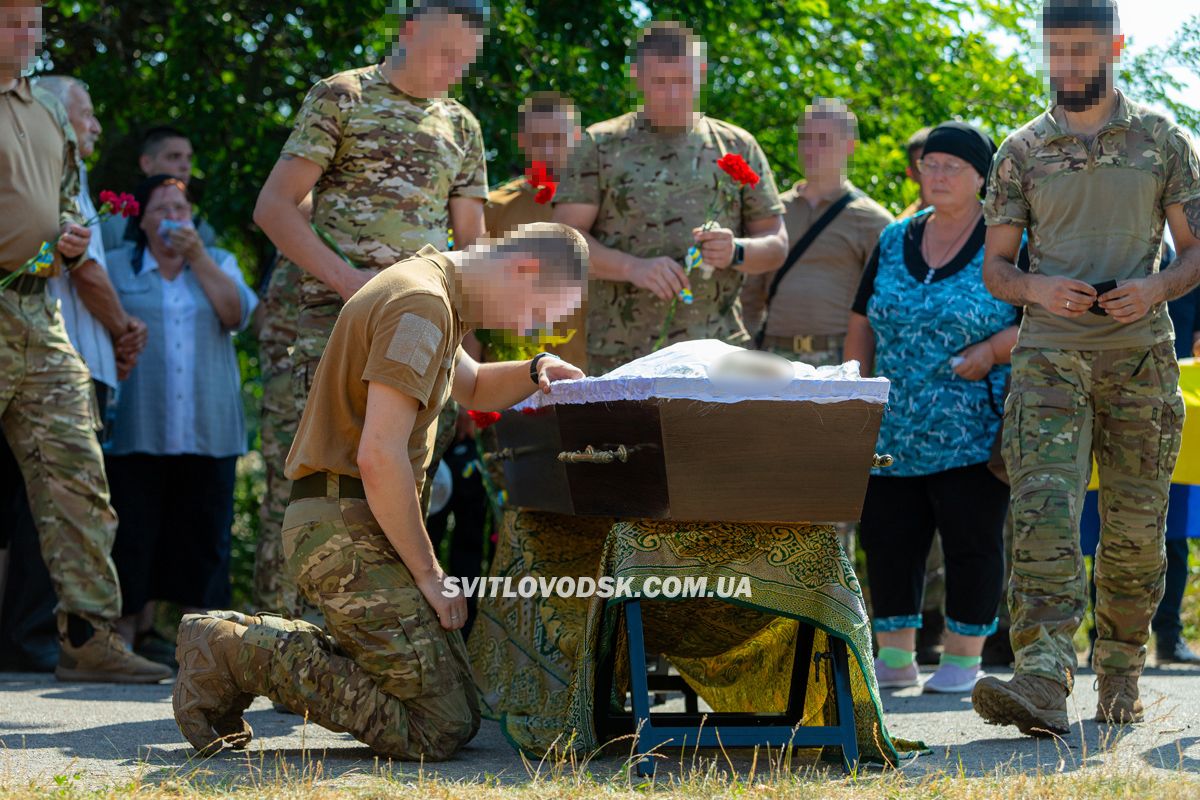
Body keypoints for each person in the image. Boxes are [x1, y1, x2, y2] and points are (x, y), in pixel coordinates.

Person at [171, 222, 588, 761]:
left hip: (356, 519)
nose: (532, 327)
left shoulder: (435, 291)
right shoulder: (422, 304)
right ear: (523, 269)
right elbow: (379, 454)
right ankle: (233, 651)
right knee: (437, 725)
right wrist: (430, 575)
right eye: (539, 311)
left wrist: (536, 371)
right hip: (341, 527)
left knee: (462, 708)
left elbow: (477, 384)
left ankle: (264, 648)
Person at [974, 0, 1200, 734]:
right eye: (1056, 51)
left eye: (1081, 50)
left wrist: (1158, 285)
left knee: (1135, 534)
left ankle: (1121, 677)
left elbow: (1196, 251)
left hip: (1141, 362)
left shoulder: (1163, 141)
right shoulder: (1021, 149)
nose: (1067, 66)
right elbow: (997, 269)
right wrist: (1037, 286)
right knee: (1043, 517)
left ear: (1116, 47)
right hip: (1047, 362)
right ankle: (1041, 678)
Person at [252, 1, 491, 604]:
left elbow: (473, 246)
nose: (452, 69)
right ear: (408, 30)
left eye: (464, 59)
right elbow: (275, 208)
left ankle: (369, 648)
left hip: (418, 339)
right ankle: (281, 646)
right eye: (444, 52)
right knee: (310, 489)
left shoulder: (461, 126)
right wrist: (345, 281)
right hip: (335, 328)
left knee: (400, 482)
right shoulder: (344, 96)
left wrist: (468, 344)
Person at [0, 0, 170, 684]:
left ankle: (88, 635)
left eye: (34, 22)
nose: (26, 33)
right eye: (10, 19)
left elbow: (69, 202)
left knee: (79, 470)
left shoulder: (44, 110)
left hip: (36, 313)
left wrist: (67, 240)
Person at [846, 122, 1018, 694]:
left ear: (982, 178)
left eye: (953, 166)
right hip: (892, 426)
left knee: (972, 539)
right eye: (931, 164)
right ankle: (895, 661)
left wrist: (992, 350)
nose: (938, 175)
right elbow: (861, 320)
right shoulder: (894, 237)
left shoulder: (1007, 238)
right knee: (890, 540)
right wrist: (855, 390)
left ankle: (963, 659)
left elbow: (1039, 318)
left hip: (973, 423)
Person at [553, 20, 788, 375]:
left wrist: (736, 250)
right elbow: (564, 242)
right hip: (623, 356)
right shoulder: (600, 144)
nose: (673, 94)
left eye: (682, 81)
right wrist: (633, 268)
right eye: (659, 82)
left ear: (701, 73)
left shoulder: (737, 145)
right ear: (637, 76)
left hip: (717, 356)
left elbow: (776, 241)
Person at [103, 175, 257, 646]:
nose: (173, 219)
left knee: (203, 539)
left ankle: (204, 650)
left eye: (181, 210)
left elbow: (236, 314)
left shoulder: (220, 262)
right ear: (142, 222)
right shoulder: (114, 268)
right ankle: (127, 637)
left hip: (207, 430)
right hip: (137, 424)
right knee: (133, 534)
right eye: (162, 211)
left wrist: (198, 257)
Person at [741, 98, 893, 369]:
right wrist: (745, 351)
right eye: (806, 139)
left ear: (848, 146)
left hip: (838, 359)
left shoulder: (873, 220)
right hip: (771, 356)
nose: (811, 149)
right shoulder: (772, 213)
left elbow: (885, 305)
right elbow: (749, 294)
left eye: (823, 139)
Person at [485, 90, 586, 368]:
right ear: (521, 140)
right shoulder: (493, 208)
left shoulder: (598, 207)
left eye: (557, 139)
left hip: (587, 374)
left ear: (576, 138)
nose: (548, 150)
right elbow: (468, 301)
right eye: (537, 140)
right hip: (511, 375)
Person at [99, 125, 218, 252]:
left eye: (189, 158)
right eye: (174, 157)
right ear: (146, 163)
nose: (185, 166)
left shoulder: (202, 231)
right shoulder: (113, 227)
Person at [898, 126, 933, 220]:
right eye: (924, 166)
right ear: (910, 174)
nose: (937, 174)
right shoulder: (901, 228)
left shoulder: (973, 217)